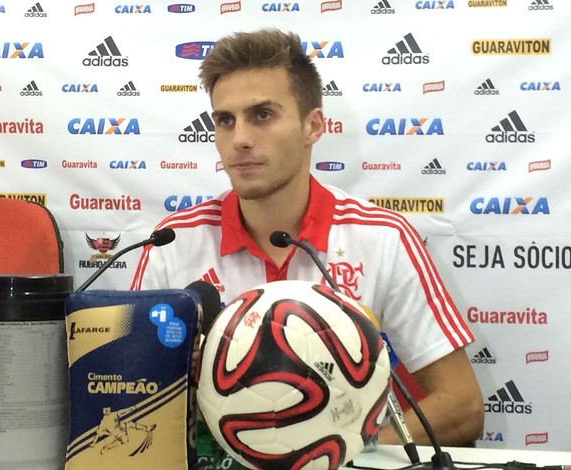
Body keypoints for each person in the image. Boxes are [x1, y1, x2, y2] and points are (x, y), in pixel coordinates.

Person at [131, 28, 484, 446]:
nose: (240, 139)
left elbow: (462, 406)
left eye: (262, 115)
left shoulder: (382, 238)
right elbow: (131, 395)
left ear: (313, 126)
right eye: (225, 120)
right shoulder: (171, 243)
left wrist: (342, 455)